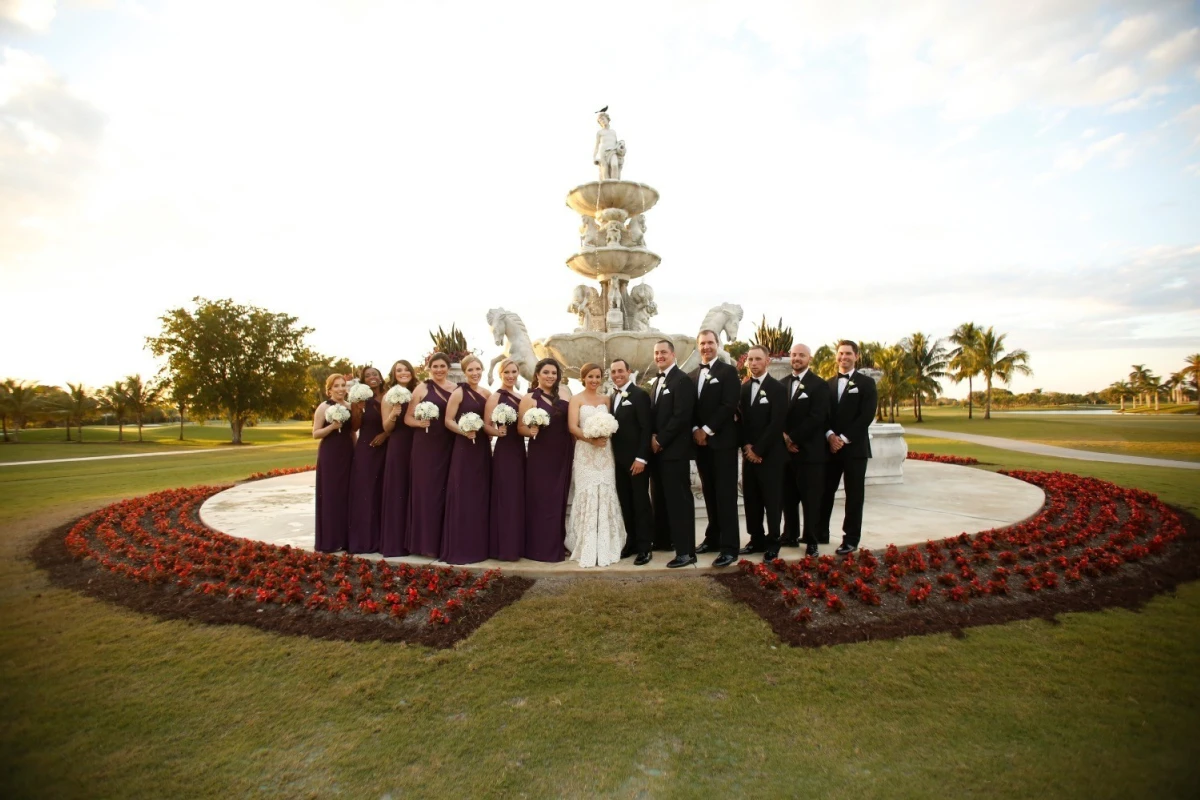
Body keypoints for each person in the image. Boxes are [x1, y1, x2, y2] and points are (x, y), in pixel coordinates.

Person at [564, 362, 626, 567]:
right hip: (585, 453)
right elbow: (573, 427)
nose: (594, 380)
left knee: (607, 493)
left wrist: (603, 436)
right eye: (590, 376)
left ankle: (608, 543)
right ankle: (586, 544)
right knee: (587, 494)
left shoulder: (606, 399)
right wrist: (591, 440)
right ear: (583, 378)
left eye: (597, 376)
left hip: (605, 454)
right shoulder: (576, 399)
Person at [821, 340, 878, 556]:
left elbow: (866, 416)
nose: (843, 357)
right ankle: (820, 532)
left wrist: (843, 439)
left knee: (854, 495)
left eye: (848, 353)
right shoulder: (827, 385)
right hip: (831, 448)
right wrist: (830, 436)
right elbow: (823, 415)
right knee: (825, 491)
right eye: (840, 353)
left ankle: (851, 538)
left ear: (856, 356)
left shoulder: (866, 383)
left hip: (855, 449)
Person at [689, 329, 741, 568]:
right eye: (702, 343)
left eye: (710, 342)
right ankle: (713, 538)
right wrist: (695, 431)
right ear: (697, 346)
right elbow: (688, 409)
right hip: (701, 446)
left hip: (722, 444)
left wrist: (706, 430)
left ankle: (730, 547)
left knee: (726, 495)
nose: (706, 347)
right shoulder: (690, 376)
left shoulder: (729, 372)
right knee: (709, 493)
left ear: (717, 344)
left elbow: (728, 404)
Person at [519, 358, 574, 562]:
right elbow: (520, 428)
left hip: (563, 452)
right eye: (546, 372)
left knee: (560, 497)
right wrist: (530, 429)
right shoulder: (529, 398)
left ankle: (558, 543)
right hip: (541, 454)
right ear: (538, 375)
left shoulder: (566, 393)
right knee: (542, 499)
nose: (550, 376)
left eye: (554, 373)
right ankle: (540, 547)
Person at [440, 355, 493, 565]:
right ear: (464, 372)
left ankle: (479, 545)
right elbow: (448, 420)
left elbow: (488, 422)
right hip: (463, 449)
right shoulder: (458, 393)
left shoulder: (487, 394)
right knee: (463, 495)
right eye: (470, 370)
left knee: (479, 494)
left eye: (478, 369)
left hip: (480, 448)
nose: (475, 373)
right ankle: (461, 546)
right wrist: (463, 430)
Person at [649, 339, 697, 568]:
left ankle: (686, 552)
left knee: (680, 502)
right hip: (658, 453)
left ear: (673, 354)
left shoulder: (682, 380)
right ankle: (663, 541)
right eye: (657, 353)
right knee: (660, 499)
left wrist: (661, 439)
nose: (659, 356)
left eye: (663, 352)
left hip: (675, 452)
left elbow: (681, 416)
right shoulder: (656, 381)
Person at [781, 343, 832, 557]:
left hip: (810, 452)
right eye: (793, 355)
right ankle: (790, 535)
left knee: (811, 499)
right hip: (785, 452)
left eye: (801, 355)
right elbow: (776, 415)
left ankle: (811, 539)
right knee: (788, 497)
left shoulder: (819, 385)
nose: (796, 358)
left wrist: (793, 438)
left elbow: (817, 417)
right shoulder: (781, 384)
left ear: (809, 358)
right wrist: (783, 437)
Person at [404, 352, 457, 557]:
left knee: (444, 492)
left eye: (442, 366)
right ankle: (423, 544)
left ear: (448, 368)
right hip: (425, 446)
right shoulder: (422, 388)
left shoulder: (455, 389)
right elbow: (408, 418)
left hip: (448, 444)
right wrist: (419, 423)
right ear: (429, 368)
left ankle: (442, 543)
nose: (439, 370)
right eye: (435, 366)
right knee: (426, 492)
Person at [738, 346, 788, 562]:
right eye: (750, 359)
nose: (754, 363)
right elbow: (740, 421)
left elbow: (777, 423)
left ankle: (773, 541)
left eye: (758, 359)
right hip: (749, 455)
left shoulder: (777, 389)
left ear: (767, 361)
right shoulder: (744, 389)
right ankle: (755, 538)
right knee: (751, 498)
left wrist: (758, 450)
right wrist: (746, 447)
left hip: (771, 456)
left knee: (772, 500)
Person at [608, 358, 654, 566]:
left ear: (629, 372)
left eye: (621, 371)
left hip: (637, 461)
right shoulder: (612, 397)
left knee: (640, 503)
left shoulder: (640, 395)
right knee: (626, 503)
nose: (617, 375)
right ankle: (632, 542)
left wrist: (641, 458)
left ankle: (645, 547)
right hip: (618, 462)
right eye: (614, 372)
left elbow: (646, 428)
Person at [485, 358, 525, 561]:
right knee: (506, 496)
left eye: (514, 372)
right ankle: (504, 547)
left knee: (517, 496)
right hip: (504, 451)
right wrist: (497, 431)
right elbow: (486, 425)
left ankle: (517, 544)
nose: (510, 376)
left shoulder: (520, 396)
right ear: (500, 374)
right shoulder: (495, 397)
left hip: (520, 450)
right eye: (506, 372)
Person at [347, 366, 388, 553]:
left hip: (387, 447)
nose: (372, 377)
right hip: (366, 449)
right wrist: (360, 410)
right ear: (363, 380)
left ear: (380, 378)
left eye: (375, 374)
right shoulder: (359, 399)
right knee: (366, 491)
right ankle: (364, 538)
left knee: (383, 492)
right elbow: (354, 427)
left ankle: (383, 538)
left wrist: (385, 435)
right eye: (368, 375)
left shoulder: (389, 395)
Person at [379, 359, 418, 558]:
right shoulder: (389, 396)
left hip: (418, 444)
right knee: (398, 489)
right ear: (394, 375)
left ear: (411, 372)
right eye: (398, 370)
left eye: (406, 370)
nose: (403, 373)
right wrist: (394, 414)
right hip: (398, 445)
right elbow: (386, 428)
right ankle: (396, 542)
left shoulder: (419, 390)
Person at [313, 373, 354, 553]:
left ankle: (345, 538)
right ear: (329, 389)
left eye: (343, 385)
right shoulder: (324, 407)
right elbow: (315, 433)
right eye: (336, 386)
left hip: (347, 452)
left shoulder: (350, 406)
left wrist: (355, 451)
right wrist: (331, 427)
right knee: (331, 495)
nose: (340, 389)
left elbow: (352, 432)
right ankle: (330, 540)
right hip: (330, 453)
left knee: (346, 495)